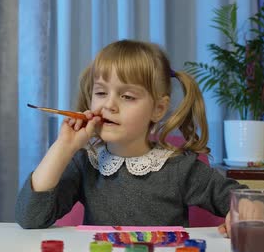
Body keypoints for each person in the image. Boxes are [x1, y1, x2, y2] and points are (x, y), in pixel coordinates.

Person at [15, 39, 246, 236]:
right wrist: (63, 147)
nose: (109, 105)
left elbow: (242, 200)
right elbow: (30, 217)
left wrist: (243, 211)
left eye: (127, 96)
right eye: (101, 93)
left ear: (158, 109)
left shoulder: (180, 167)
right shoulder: (85, 163)